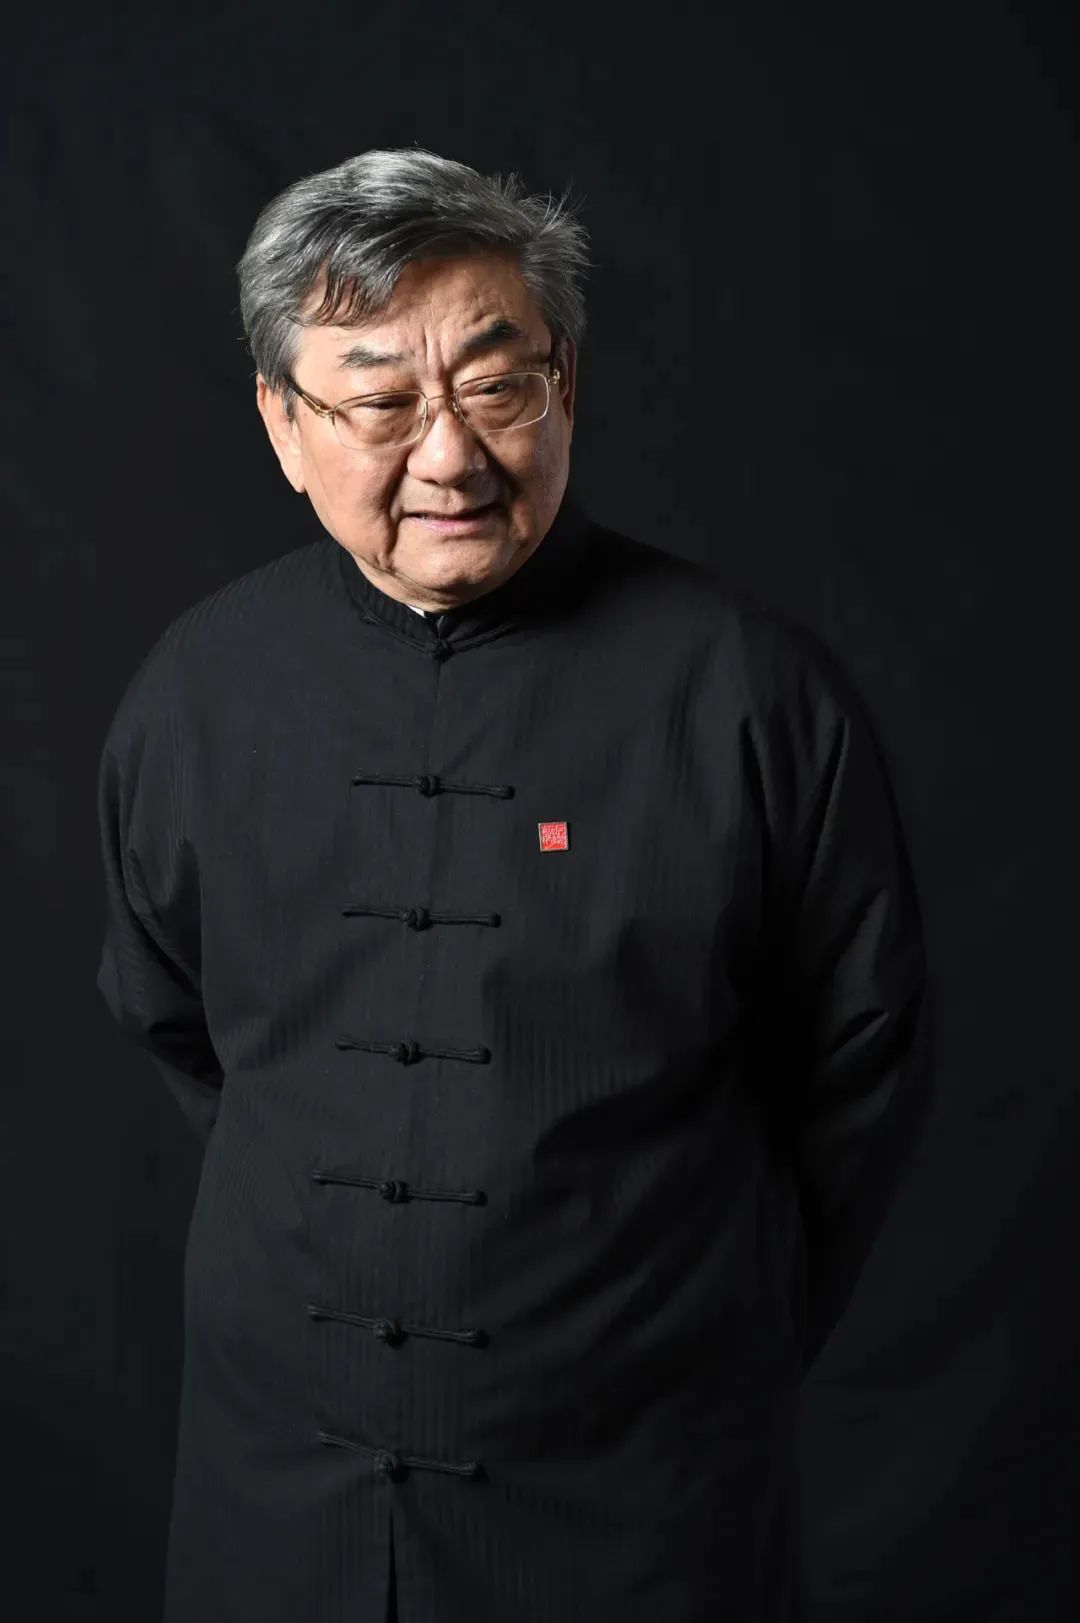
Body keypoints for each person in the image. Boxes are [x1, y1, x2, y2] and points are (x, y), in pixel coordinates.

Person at [94, 146, 932, 1623]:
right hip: (282, 1490)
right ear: (283, 423)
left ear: (568, 384)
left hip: (637, 1503)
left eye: (497, 386)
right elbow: (175, 1018)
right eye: (379, 403)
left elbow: (857, 1073)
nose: (450, 458)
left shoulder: (749, 696)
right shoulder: (197, 691)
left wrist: (686, 1332)